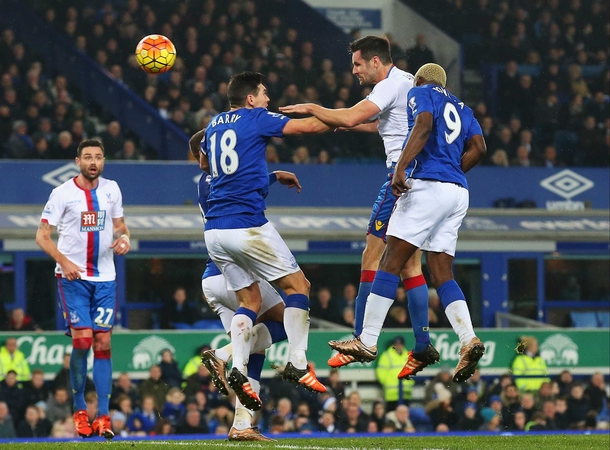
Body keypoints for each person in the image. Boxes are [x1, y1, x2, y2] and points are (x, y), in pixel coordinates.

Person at [280, 36, 437, 377]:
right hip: (425, 179)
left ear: (377, 62)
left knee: (372, 254)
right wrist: (335, 122)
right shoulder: (410, 82)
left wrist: (312, 108)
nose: (354, 71)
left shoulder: (388, 85)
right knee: (411, 265)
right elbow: (382, 124)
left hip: (401, 177)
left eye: (357, 64)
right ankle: (423, 345)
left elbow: (352, 117)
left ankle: (360, 339)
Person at [330, 63, 488, 384]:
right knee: (442, 272)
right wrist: (453, 173)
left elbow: (424, 124)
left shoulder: (420, 92)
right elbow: (480, 148)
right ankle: (468, 339)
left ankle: (367, 339)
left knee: (389, 260)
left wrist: (402, 167)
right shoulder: (463, 107)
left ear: (419, 79)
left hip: (426, 186)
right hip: (457, 192)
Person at [198, 71, 331, 412]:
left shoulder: (213, 124)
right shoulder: (256, 118)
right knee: (299, 286)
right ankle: (298, 362)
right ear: (251, 99)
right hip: (247, 225)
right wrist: (331, 114)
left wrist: (265, 175)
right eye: (264, 93)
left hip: (214, 232)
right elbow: (312, 128)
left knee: (250, 299)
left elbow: (204, 162)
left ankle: (236, 367)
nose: (269, 99)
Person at [189, 153, 293, 441]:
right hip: (231, 276)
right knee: (289, 318)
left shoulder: (207, 182)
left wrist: (273, 178)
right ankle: (222, 354)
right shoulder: (218, 181)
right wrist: (273, 177)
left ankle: (241, 424)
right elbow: (249, 188)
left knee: (252, 350)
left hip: (212, 280)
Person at [35, 138, 130, 440]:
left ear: (103, 161)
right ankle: (78, 408)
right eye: (87, 157)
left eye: (98, 157)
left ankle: (102, 416)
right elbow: (42, 236)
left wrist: (125, 238)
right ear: (77, 161)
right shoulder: (62, 193)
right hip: (73, 279)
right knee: (83, 342)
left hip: (105, 278)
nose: (93, 162)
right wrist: (64, 262)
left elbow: (120, 226)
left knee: (103, 344)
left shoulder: (112, 189)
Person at [375, 336, 413, 411]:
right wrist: (386, 383)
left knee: (404, 416)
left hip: (406, 393)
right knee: (391, 415)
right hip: (391, 394)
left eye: (400, 344)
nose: (398, 346)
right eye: (396, 344)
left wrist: (410, 383)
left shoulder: (408, 356)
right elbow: (380, 372)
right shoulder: (387, 356)